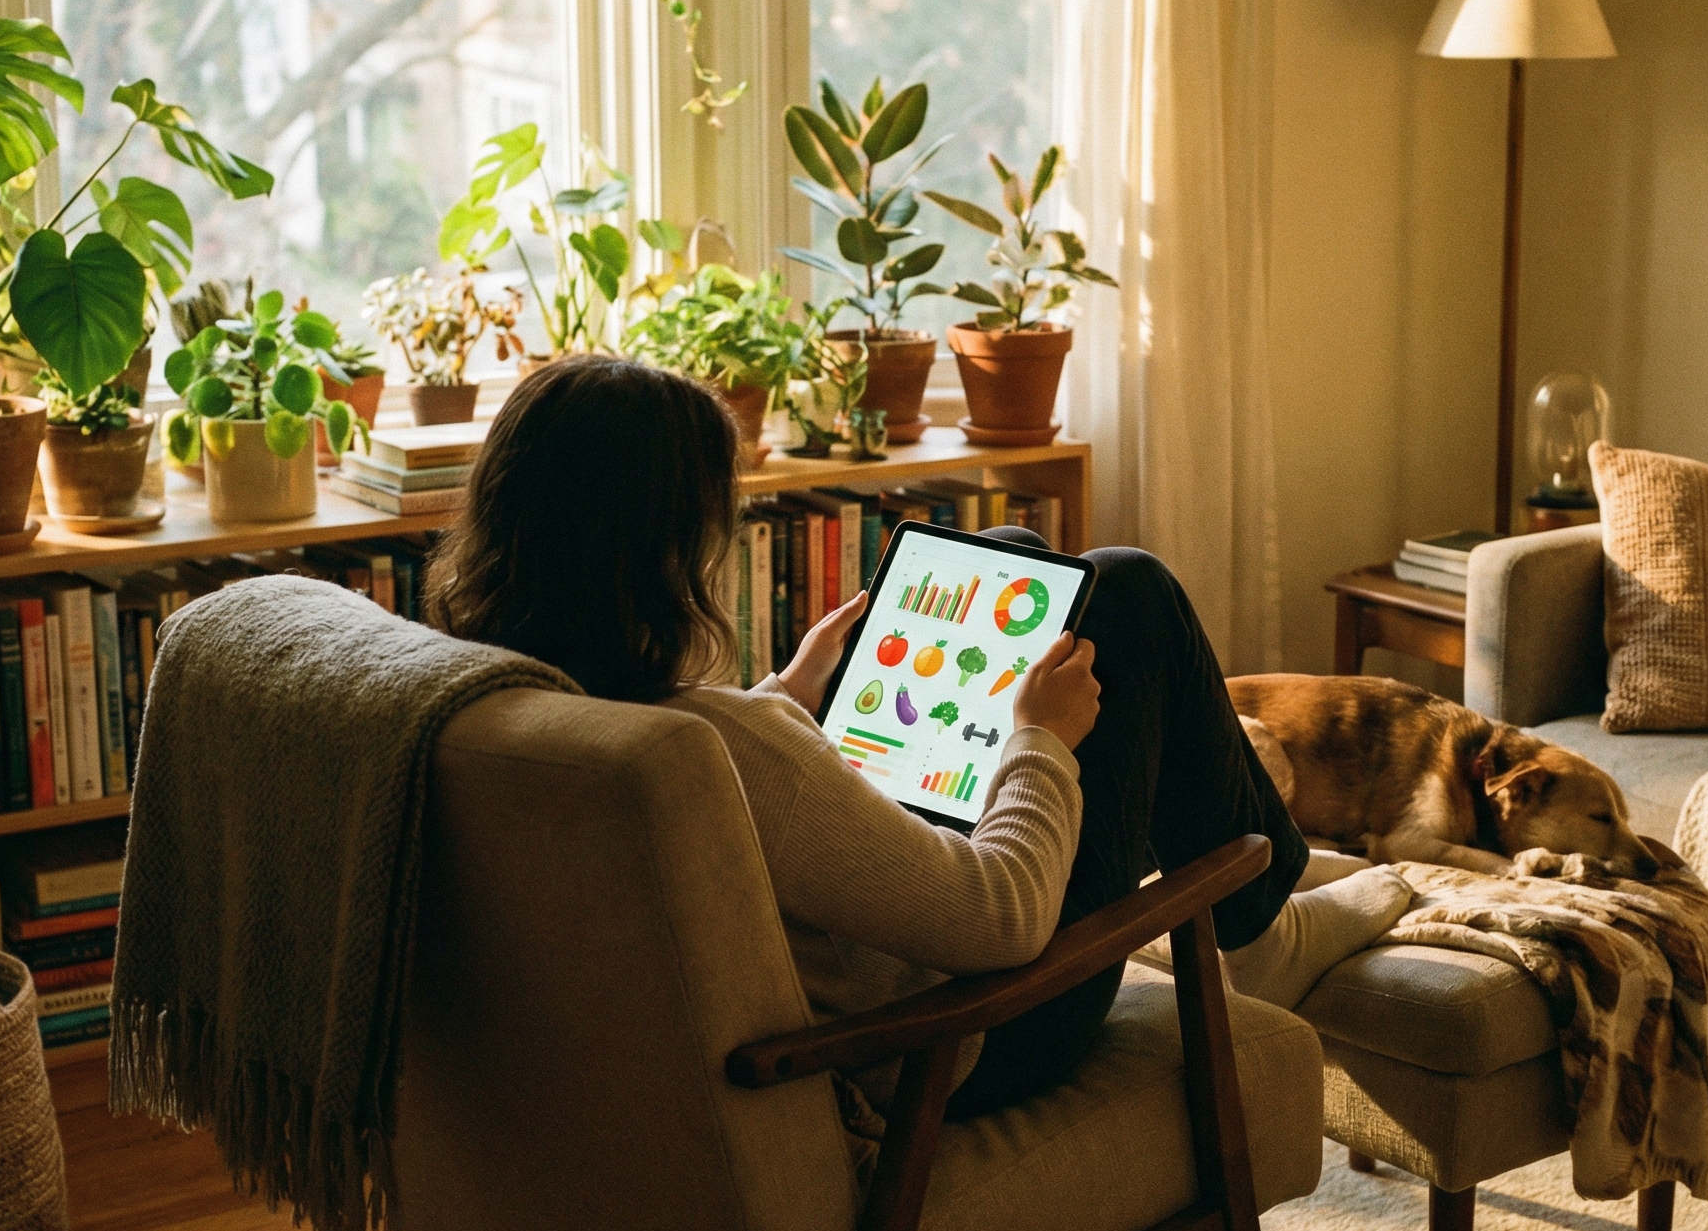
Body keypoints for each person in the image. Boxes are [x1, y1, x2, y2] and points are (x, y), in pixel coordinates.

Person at [426, 355, 1411, 1118]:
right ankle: (1258, 913)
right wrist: (1040, 739)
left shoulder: (497, 704)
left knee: (1016, 563)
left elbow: (719, 774)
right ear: (661, 556)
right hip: (968, 1035)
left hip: (836, 960)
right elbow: (1002, 917)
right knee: (1130, 590)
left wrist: (788, 691)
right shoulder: (730, 748)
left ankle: (1261, 866)